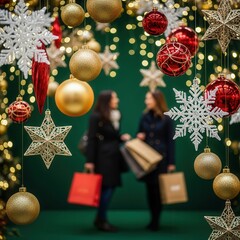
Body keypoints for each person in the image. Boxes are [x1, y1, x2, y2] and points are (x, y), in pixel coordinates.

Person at [84, 90, 130, 232]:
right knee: (107, 187)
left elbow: (111, 135)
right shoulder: (96, 116)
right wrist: (90, 161)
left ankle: (100, 219)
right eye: (115, 97)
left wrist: (121, 137)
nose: (117, 100)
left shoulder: (116, 115)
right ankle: (101, 220)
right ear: (107, 100)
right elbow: (91, 139)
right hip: (103, 158)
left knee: (109, 187)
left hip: (114, 156)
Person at [137, 90, 176, 231]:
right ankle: (152, 218)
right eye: (146, 98)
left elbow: (171, 141)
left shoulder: (167, 118)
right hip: (147, 159)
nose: (146, 101)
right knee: (150, 189)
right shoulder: (144, 116)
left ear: (156, 100)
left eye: (149, 98)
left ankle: (156, 220)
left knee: (159, 190)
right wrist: (140, 136)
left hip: (162, 159)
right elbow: (139, 133)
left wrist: (171, 163)